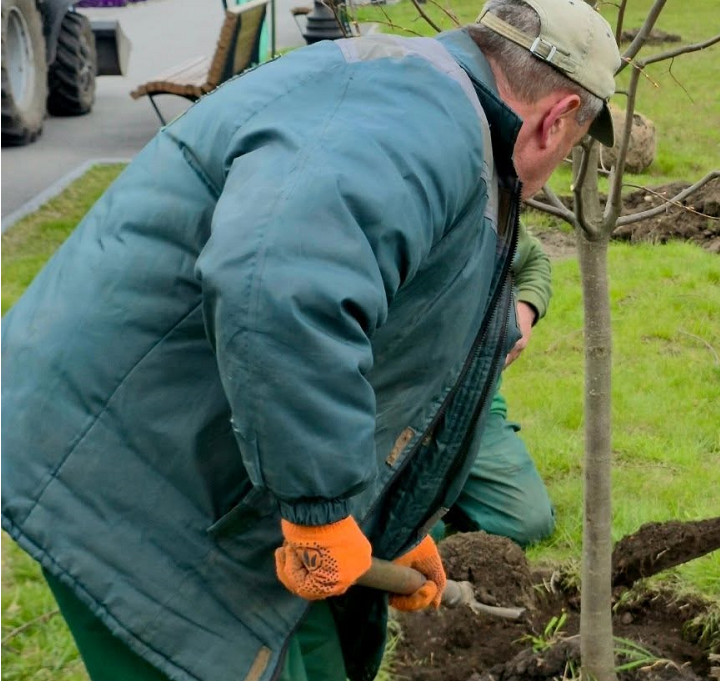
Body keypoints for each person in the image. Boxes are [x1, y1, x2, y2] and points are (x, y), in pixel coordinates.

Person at [0, 0, 621, 678]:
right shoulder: (412, 122)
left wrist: (397, 529)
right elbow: (282, 285)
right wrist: (320, 510)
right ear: (558, 118)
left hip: (215, 454)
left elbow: (381, 339)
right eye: (571, 149)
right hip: (125, 473)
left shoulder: (435, 114)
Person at [435, 223, 559, 548]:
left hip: (472, 404)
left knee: (529, 521)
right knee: (400, 538)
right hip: (392, 411)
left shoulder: (480, 208)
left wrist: (525, 310)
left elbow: (532, 260)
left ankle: (450, 495)